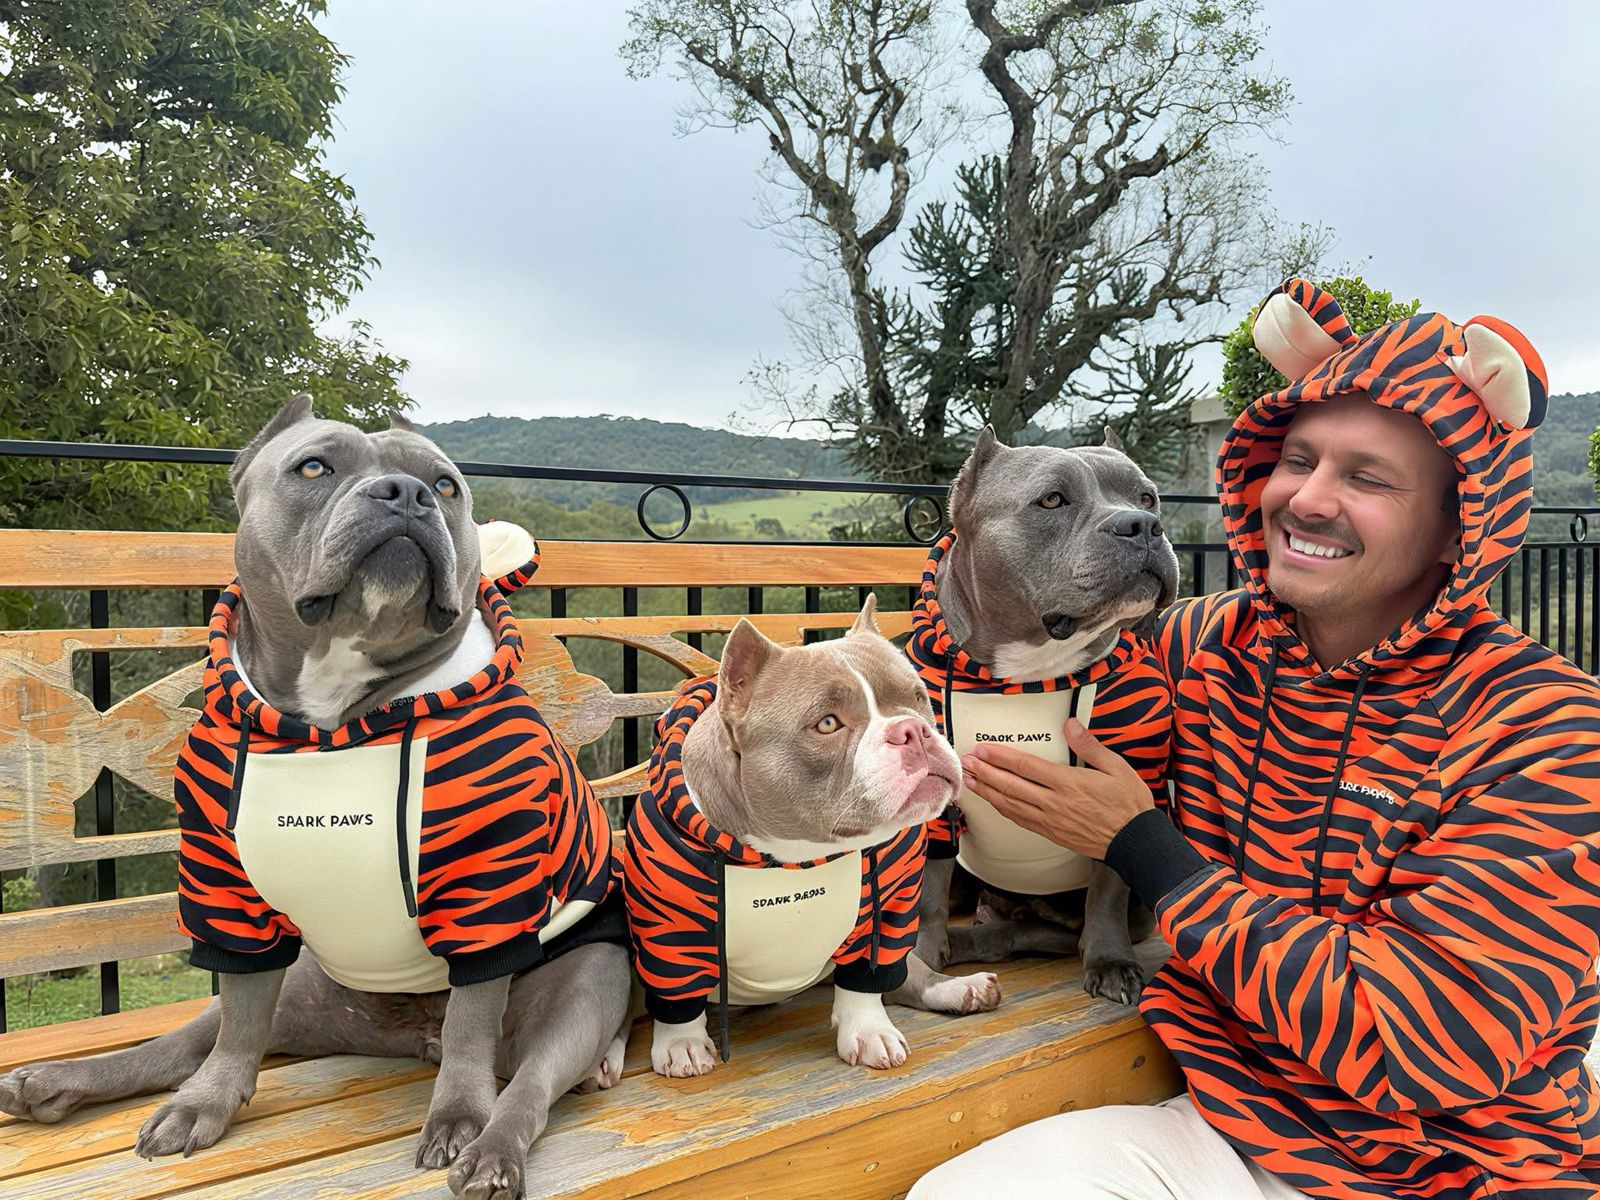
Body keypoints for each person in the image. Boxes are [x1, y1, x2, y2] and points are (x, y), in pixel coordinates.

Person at [909, 279, 1600, 1200]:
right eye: (1298, 458)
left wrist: (1145, 850)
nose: (1307, 500)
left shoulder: (1547, 724)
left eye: (1366, 477)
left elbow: (1431, 1047)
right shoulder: (1207, 645)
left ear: (1456, 528)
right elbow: (990, 643)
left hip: (1464, 1161)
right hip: (1230, 1112)